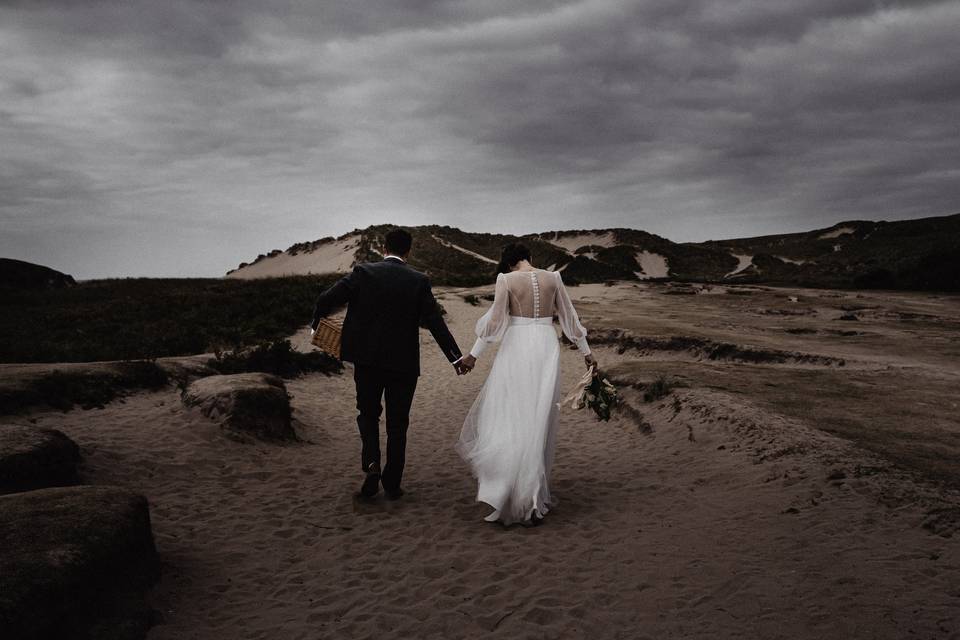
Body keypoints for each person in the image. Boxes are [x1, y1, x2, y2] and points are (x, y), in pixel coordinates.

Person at [311, 228, 470, 500]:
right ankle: (393, 483)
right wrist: (455, 357)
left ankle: (372, 463)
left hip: (367, 360)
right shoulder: (419, 280)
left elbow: (326, 299)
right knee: (398, 424)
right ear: (408, 251)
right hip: (403, 364)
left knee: (368, 413)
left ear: (384, 248)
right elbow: (435, 322)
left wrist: (316, 325)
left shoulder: (363, 272)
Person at [456, 243, 596, 525]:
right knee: (537, 421)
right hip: (545, 346)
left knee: (510, 418)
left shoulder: (505, 280)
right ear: (529, 258)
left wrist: (472, 356)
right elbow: (570, 318)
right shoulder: (553, 278)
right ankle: (531, 501)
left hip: (517, 347)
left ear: (509, 263)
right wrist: (588, 353)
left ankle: (509, 494)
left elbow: (494, 324)